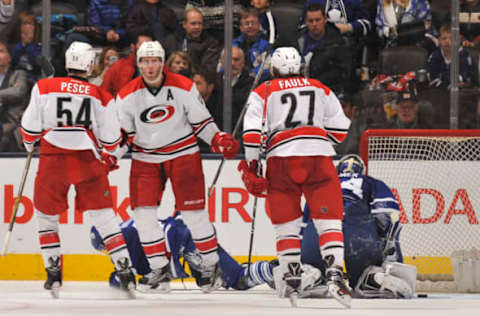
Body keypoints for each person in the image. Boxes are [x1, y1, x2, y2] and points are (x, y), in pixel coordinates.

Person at [115, 41, 240, 293]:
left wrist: (217, 139)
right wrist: (109, 156)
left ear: (162, 62)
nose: (149, 67)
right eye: (144, 62)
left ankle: (211, 265)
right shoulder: (126, 95)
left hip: (183, 155)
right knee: (143, 216)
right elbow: (123, 135)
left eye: (154, 61)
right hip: (145, 158)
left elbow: (201, 122)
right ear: (138, 64)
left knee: (194, 216)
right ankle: (159, 270)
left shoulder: (183, 86)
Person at [19, 41, 136, 296]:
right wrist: (109, 154)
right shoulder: (99, 94)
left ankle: (53, 274)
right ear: (90, 65)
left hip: (53, 160)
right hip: (86, 160)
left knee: (46, 216)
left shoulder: (44, 87)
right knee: (105, 216)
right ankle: (125, 270)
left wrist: (30, 146)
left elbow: (28, 130)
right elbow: (111, 141)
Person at [238, 46, 352, 307]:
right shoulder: (319, 87)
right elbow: (340, 130)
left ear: (272, 70)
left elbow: (252, 134)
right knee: (329, 220)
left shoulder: (263, 91)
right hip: (319, 157)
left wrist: (252, 165)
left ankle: (291, 275)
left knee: (286, 221)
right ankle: (335, 274)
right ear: (301, 68)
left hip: (282, 160)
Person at [300, 154, 417, 299]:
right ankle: (370, 278)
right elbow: (388, 215)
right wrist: (390, 257)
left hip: (320, 230)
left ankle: (313, 276)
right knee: (364, 273)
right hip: (358, 231)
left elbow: (302, 229)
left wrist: (300, 259)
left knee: (313, 265)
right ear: (362, 170)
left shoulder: (320, 186)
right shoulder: (371, 182)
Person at [90, 214, 279, 292]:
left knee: (238, 280)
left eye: (105, 247)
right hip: (188, 237)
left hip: (190, 240)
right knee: (214, 279)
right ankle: (271, 269)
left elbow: (133, 273)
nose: (109, 252)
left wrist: (120, 280)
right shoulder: (128, 230)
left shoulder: (125, 237)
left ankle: (277, 271)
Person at [297, 3, 353, 95]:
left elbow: (343, 74)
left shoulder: (338, 42)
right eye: (310, 21)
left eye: (318, 20)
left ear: (325, 20)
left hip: (327, 92)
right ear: (306, 22)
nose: (314, 24)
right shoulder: (297, 40)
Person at [163, 8, 220, 75]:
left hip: (196, 81)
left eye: (200, 23)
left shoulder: (211, 43)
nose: (197, 27)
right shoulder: (171, 40)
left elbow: (208, 70)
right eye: (193, 23)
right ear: (184, 24)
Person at [101, 31, 153, 96]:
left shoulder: (162, 69)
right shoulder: (117, 68)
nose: (147, 49)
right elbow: (103, 95)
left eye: (150, 46)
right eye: (142, 45)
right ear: (132, 47)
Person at [0, 40, 29, 152]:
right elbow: (11, 92)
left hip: (10, 123)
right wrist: (8, 93)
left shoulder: (19, 74)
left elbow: (18, 92)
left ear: (9, 57)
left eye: (1, 51)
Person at [427, 24, 475, 90]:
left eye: (451, 38)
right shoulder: (435, 56)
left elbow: (466, 76)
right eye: (444, 39)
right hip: (439, 91)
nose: (447, 41)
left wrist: (444, 78)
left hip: (460, 92)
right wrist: (447, 82)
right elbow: (432, 76)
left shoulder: (464, 55)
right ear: (439, 41)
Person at [233, 8, 270, 82]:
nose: (250, 26)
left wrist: (252, 74)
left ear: (259, 25)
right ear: (241, 27)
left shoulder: (266, 44)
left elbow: (269, 65)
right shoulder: (233, 45)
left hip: (259, 84)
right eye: (247, 24)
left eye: (253, 23)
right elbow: (222, 67)